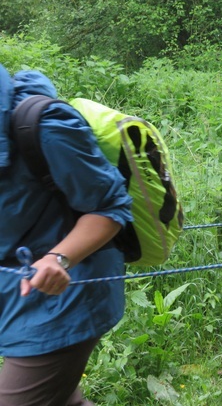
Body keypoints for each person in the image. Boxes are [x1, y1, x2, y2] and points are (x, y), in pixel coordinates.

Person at [0, 64, 132, 406]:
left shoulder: (44, 126)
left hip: (63, 295)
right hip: (10, 293)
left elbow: (111, 208)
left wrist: (59, 257)